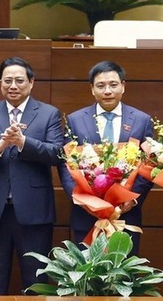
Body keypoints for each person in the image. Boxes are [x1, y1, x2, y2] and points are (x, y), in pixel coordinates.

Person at [0, 56, 63, 295]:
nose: (13, 85)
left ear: (32, 82)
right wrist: (0, 145)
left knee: (36, 278)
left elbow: (57, 153)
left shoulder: (49, 113)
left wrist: (23, 143)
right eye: (7, 80)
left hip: (34, 211)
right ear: (0, 83)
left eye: (19, 80)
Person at [58, 60, 153, 254]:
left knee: (123, 276)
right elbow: (65, 164)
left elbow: (149, 165)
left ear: (123, 86)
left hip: (126, 215)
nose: (107, 91)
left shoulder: (142, 120)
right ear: (92, 89)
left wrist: (132, 199)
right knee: (87, 277)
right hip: (86, 215)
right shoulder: (75, 120)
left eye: (113, 85)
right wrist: (81, 200)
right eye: (100, 86)